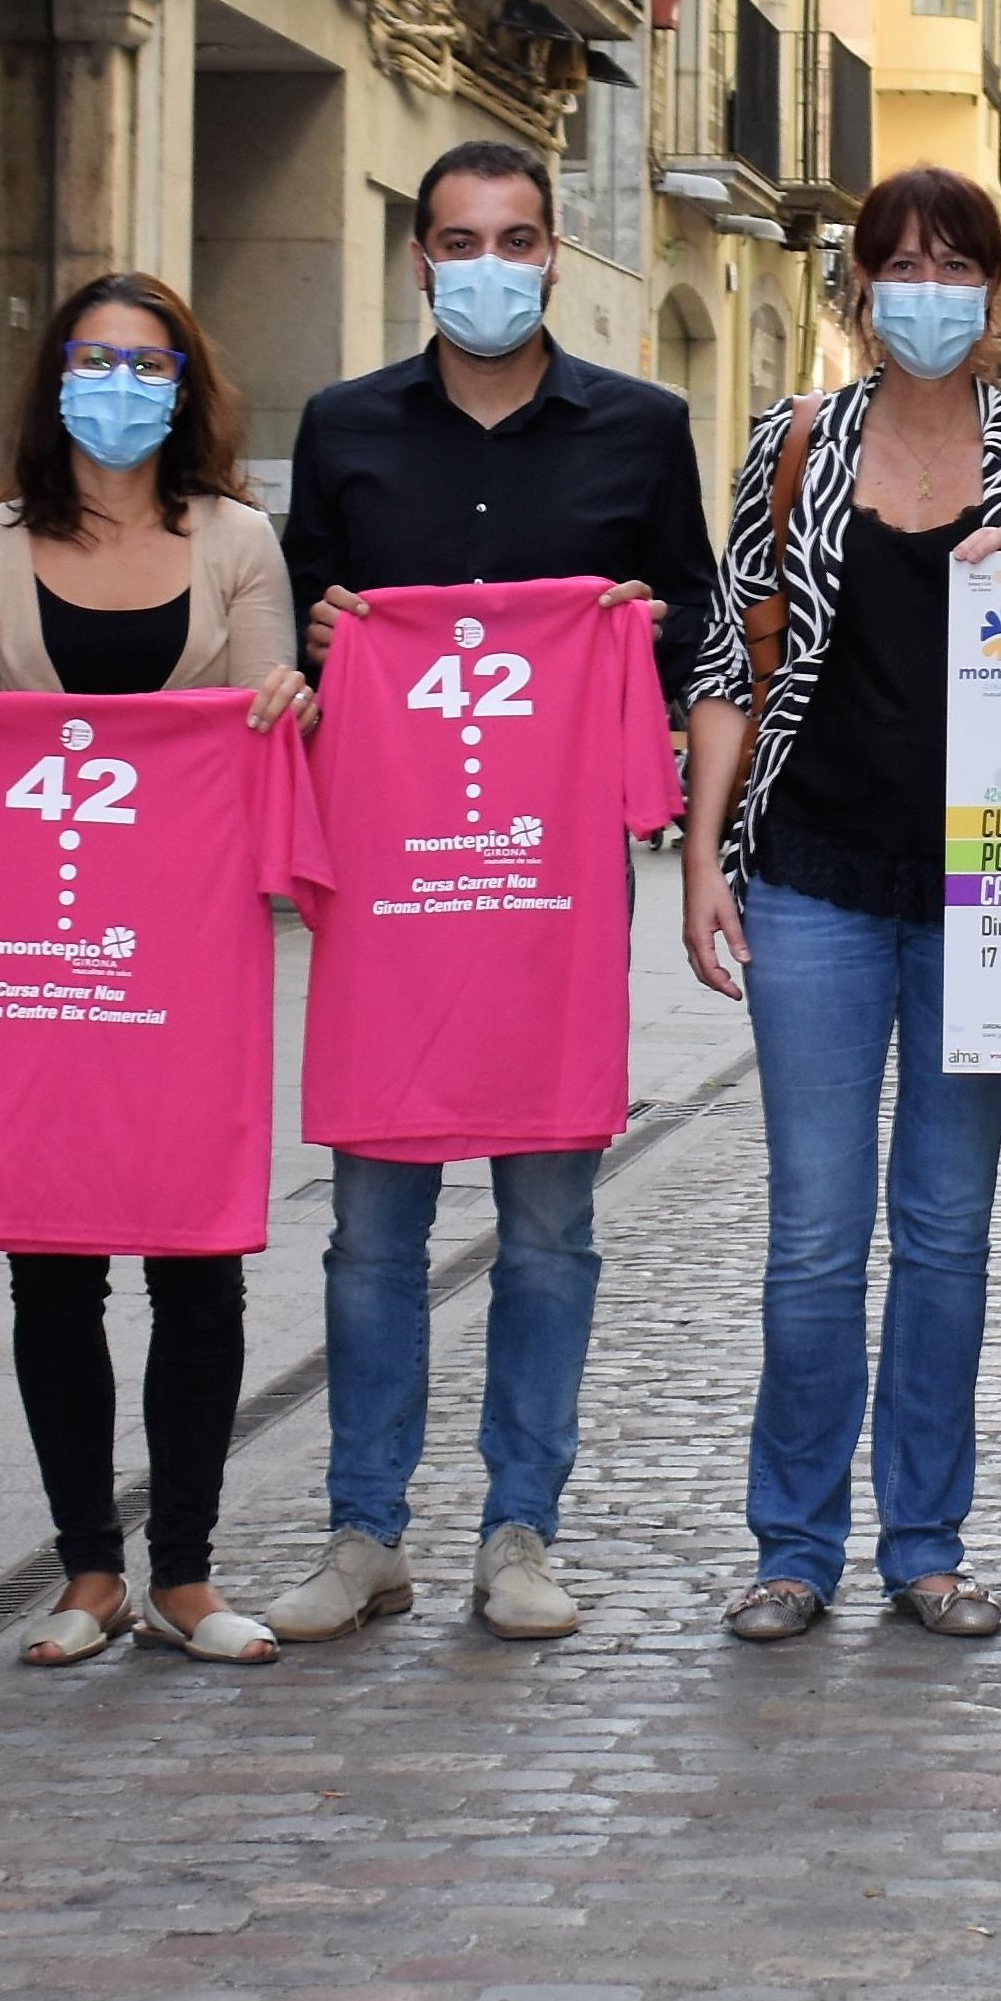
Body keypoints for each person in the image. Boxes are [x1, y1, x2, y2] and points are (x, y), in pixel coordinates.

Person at [263, 140, 709, 1649]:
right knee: (370, 1235)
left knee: (546, 1231)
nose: (490, 264)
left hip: (545, 906)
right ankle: (360, 1531)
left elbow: (698, 622)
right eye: (460, 240)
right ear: (418, 262)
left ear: (552, 260)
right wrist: (325, 635)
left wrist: (635, 635)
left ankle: (521, 1530)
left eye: (518, 238)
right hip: (390, 900)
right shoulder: (341, 429)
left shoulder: (642, 431)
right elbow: (296, 641)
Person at [683, 169, 1001, 1642]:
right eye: (900, 266)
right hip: (812, 878)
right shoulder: (791, 445)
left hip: (989, 894)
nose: (928, 291)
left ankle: (924, 1541)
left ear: (994, 294)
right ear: (858, 289)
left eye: (957, 267)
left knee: (944, 1226)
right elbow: (733, 660)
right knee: (813, 1228)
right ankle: (792, 1547)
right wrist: (700, 860)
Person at [0, 274, 304, 1667]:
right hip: (39, 956)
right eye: (97, 359)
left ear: (187, 385)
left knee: (197, 1267)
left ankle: (187, 1572)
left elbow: (271, 738)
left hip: (188, 958)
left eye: (150, 363)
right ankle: (88, 1569)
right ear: (55, 381)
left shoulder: (241, 541)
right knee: (51, 1271)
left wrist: (286, 709)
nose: (123, 386)